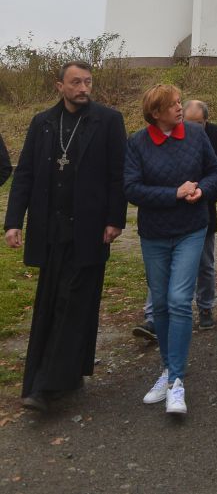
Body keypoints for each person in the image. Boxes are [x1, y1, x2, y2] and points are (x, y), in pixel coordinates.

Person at [4, 61, 127, 411]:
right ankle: (67, 374)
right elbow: (24, 174)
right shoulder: (42, 123)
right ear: (60, 86)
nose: (83, 88)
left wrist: (115, 219)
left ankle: (45, 387)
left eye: (88, 82)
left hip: (89, 230)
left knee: (71, 302)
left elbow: (119, 174)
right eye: (75, 82)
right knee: (50, 304)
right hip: (50, 230)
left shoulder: (108, 121)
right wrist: (14, 221)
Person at [124, 84, 217, 417]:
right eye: (173, 104)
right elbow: (132, 188)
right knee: (162, 303)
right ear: (156, 112)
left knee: (180, 300)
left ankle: (177, 381)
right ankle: (167, 371)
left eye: (180, 102)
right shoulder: (137, 143)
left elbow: (216, 172)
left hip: (191, 230)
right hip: (154, 234)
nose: (180, 108)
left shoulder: (196, 136)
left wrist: (201, 191)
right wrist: (174, 193)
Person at [134, 98, 217, 340]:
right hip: (166, 212)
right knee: (161, 269)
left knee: (205, 263)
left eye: (198, 123)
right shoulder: (148, 140)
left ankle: (205, 306)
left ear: (206, 121)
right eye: (189, 122)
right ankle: (153, 318)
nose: (192, 127)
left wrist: (207, 194)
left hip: (203, 208)